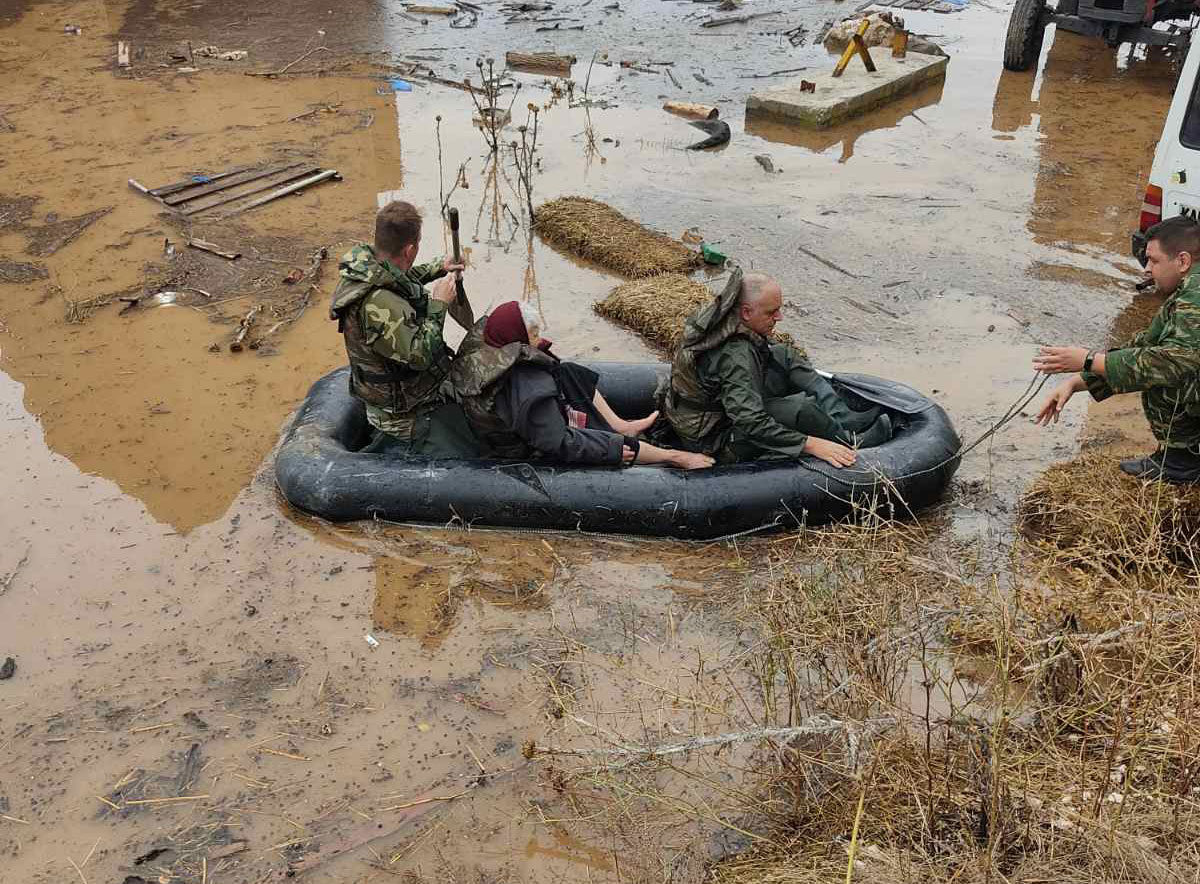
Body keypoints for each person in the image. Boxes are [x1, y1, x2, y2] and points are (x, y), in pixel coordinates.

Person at [665, 268, 892, 467]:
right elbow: (750, 421)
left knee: (784, 354)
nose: (779, 317)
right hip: (715, 438)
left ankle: (843, 418)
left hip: (720, 408)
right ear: (746, 312)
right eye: (771, 312)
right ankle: (849, 442)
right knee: (800, 407)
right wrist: (809, 444)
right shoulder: (736, 354)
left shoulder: (728, 320)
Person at [1034, 215, 1200, 484]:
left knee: (1163, 376)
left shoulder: (1196, 294)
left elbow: (1173, 362)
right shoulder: (1188, 291)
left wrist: (1088, 360)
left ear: (1182, 261)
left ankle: (1182, 462)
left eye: (1154, 260)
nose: (1146, 269)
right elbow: (1148, 342)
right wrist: (1077, 382)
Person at [451, 301, 714, 469]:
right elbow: (559, 443)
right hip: (523, 449)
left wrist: (536, 347)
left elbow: (538, 357)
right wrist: (610, 449)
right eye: (533, 334)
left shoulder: (492, 345)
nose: (539, 338)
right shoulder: (528, 387)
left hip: (521, 425)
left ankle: (623, 425)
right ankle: (673, 457)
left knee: (567, 371)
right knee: (613, 446)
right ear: (518, 336)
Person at [328, 200, 478, 456]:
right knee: (473, 451)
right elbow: (418, 356)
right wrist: (439, 305)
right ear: (409, 250)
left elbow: (399, 280)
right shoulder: (380, 304)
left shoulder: (370, 267)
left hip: (401, 399)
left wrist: (438, 268)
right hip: (403, 419)